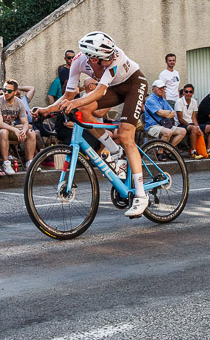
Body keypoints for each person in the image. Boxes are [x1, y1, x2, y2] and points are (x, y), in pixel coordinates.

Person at [35, 31, 150, 217]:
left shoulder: (115, 58)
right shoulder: (78, 62)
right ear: (93, 59)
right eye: (105, 59)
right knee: (83, 111)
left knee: (125, 134)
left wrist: (73, 103)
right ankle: (115, 151)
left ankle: (141, 195)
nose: (110, 59)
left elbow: (98, 92)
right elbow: (68, 95)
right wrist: (46, 109)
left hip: (134, 85)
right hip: (115, 88)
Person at [0, 79, 37, 174]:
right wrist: (16, 130)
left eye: (8, 91)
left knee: (31, 132)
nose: (6, 93)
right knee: (4, 131)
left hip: (10, 127)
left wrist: (23, 131)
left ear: (15, 92)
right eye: (4, 90)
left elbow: (25, 122)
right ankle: (6, 163)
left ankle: (30, 162)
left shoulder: (19, 102)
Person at [144, 79, 185, 146]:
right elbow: (160, 113)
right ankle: (161, 153)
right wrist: (167, 113)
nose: (162, 89)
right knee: (168, 132)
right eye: (160, 88)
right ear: (153, 88)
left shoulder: (162, 99)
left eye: (163, 88)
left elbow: (173, 113)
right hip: (153, 126)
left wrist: (165, 113)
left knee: (182, 131)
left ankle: (169, 150)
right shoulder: (150, 100)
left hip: (164, 124)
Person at [175, 83, 203, 159]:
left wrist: (198, 127)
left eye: (190, 92)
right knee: (194, 128)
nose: (188, 93)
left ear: (193, 93)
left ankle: (207, 150)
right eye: (186, 91)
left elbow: (194, 117)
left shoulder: (194, 101)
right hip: (180, 124)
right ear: (183, 92)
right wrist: (192, 126)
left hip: (190, 123)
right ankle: (193, 151)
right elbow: (180, 119)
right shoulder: (179, 101)